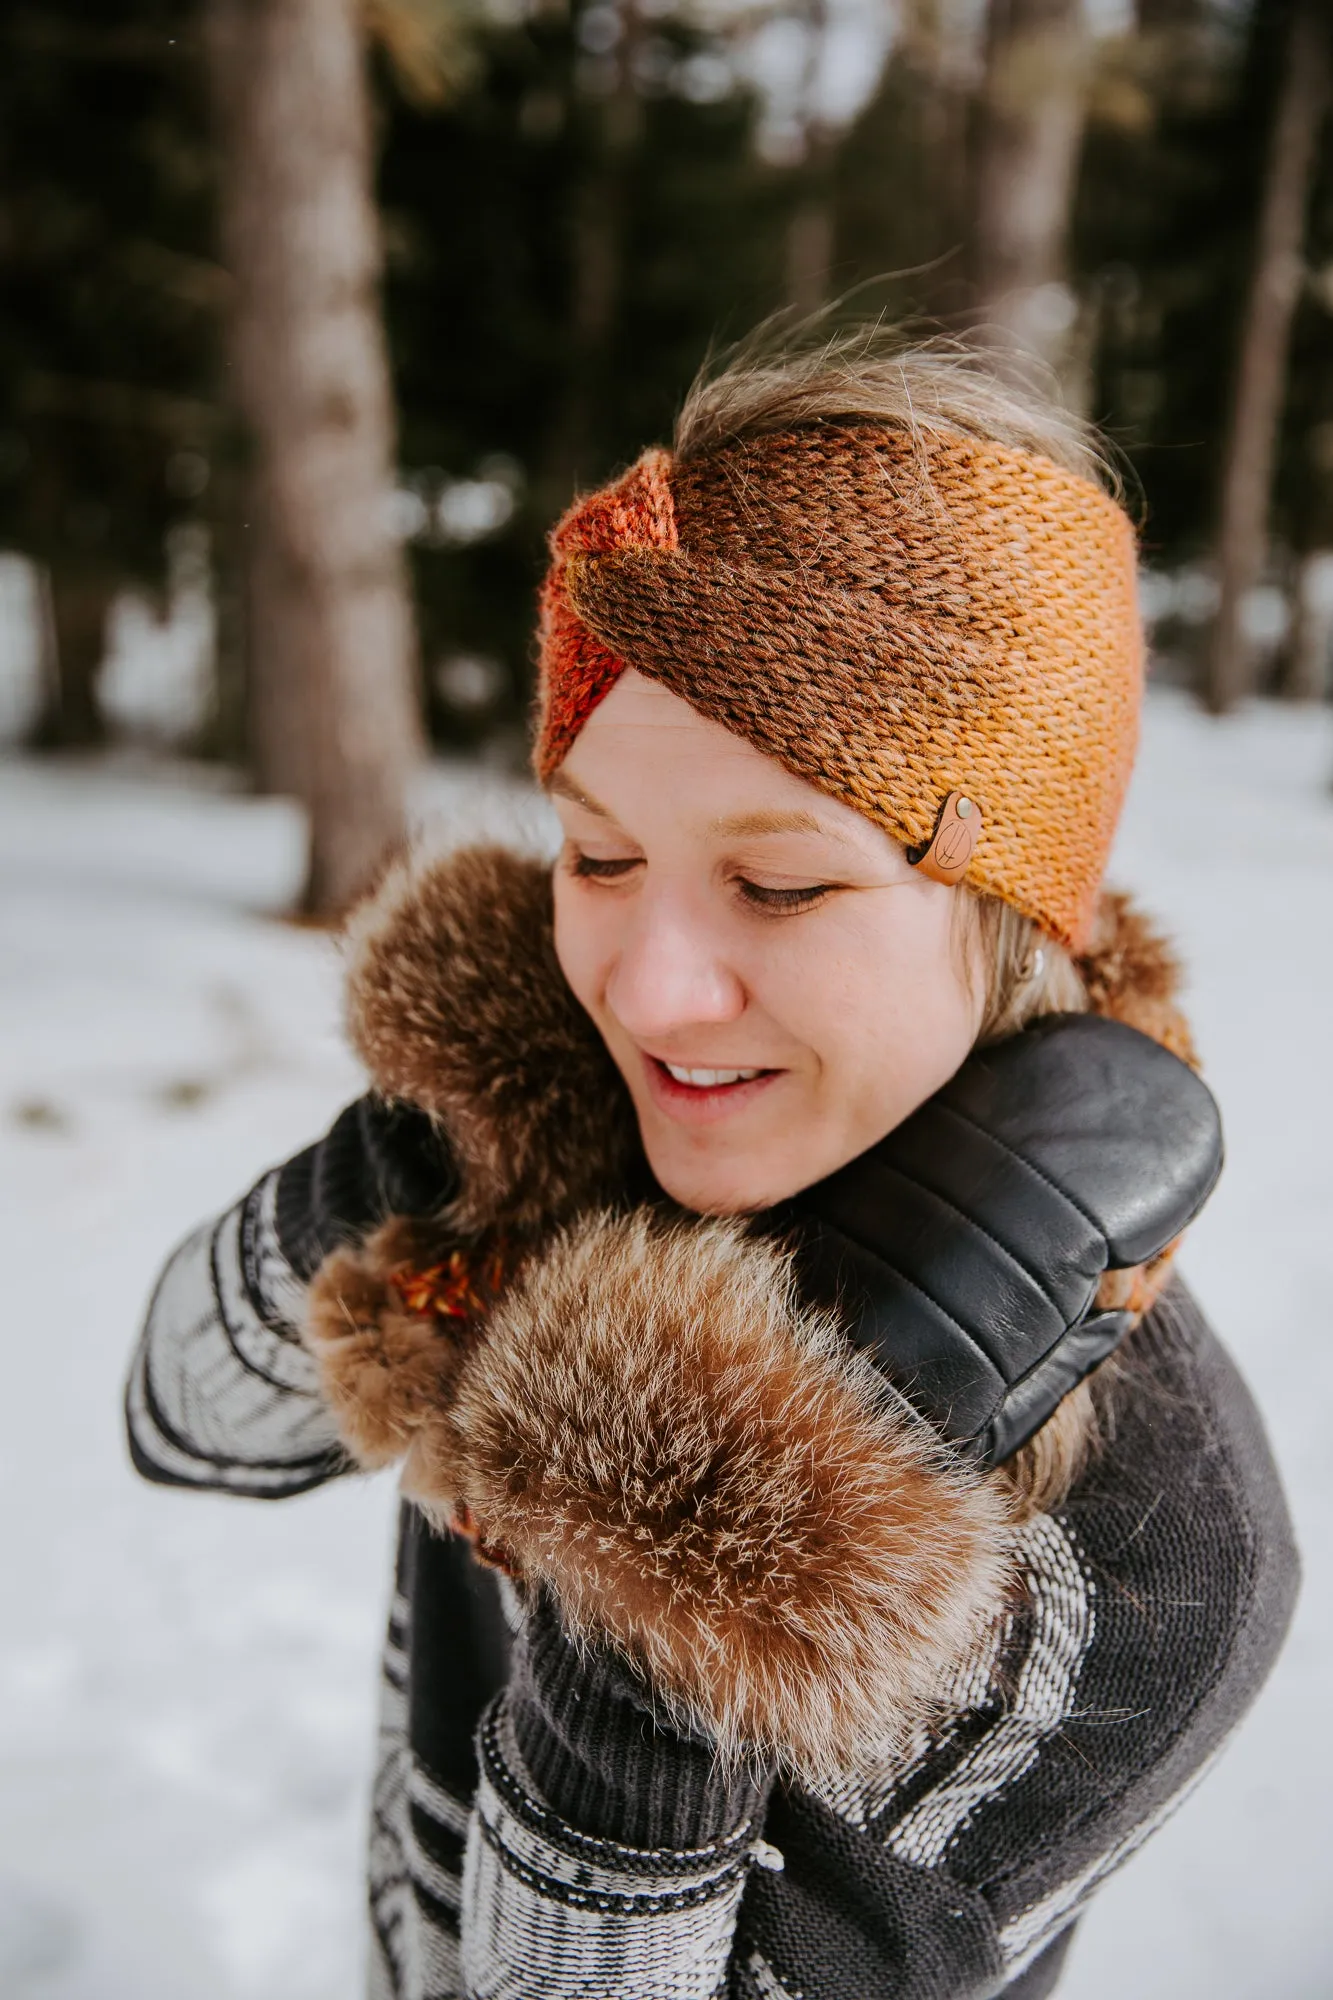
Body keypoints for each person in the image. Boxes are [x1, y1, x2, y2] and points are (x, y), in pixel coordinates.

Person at [127, 331, 1298, 2000]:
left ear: (1018, 904)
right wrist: (398, 1160)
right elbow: (183, 1424)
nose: (651, 993)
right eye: (599, 853)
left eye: (786, 885)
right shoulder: (560, 1135)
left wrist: (701, 1506)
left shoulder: (1152, 1553)